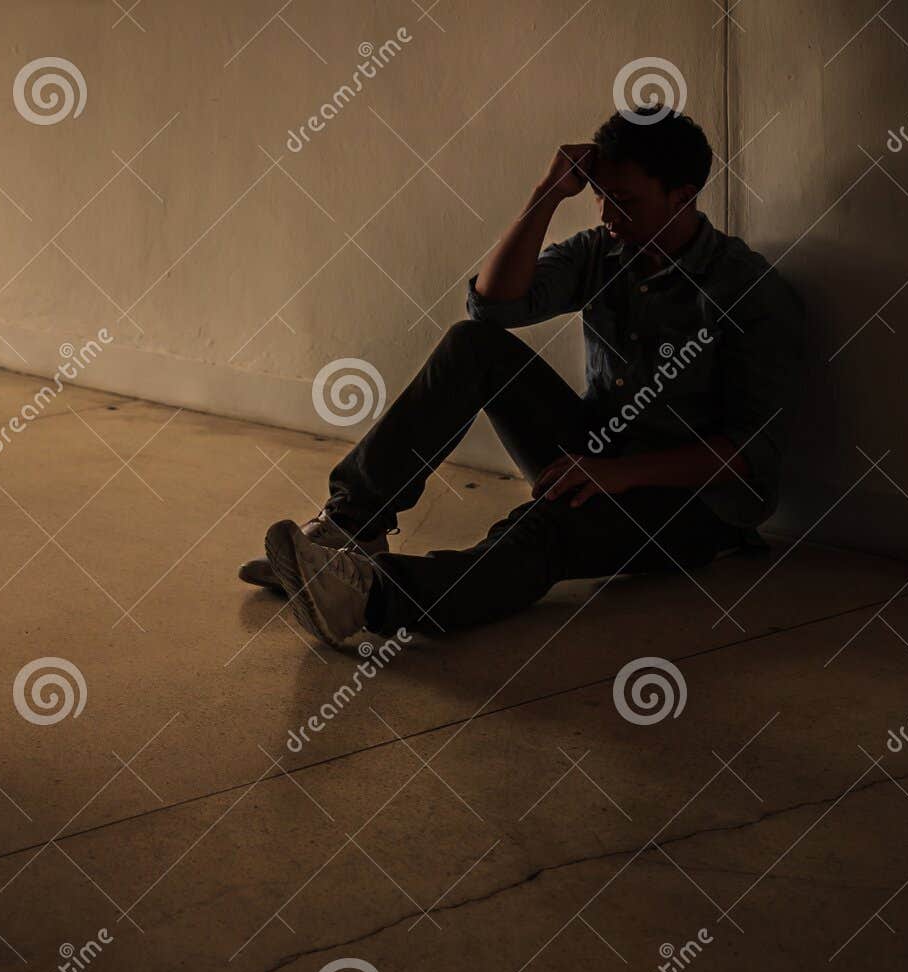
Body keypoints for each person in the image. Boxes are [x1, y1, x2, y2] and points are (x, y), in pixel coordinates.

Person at [240, 105, 804, 647]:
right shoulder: (605, 252)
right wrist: (547, 194)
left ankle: (369, 601)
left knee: (545, 527)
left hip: (694, 505)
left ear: (682, 197)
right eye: (602, 197)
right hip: (597, 454)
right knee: (473, 345)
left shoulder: (748, 292)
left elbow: (752, 453)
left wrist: (621, 474)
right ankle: (348, 531)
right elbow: (492, 307)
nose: (607, 216)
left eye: (624, 202)